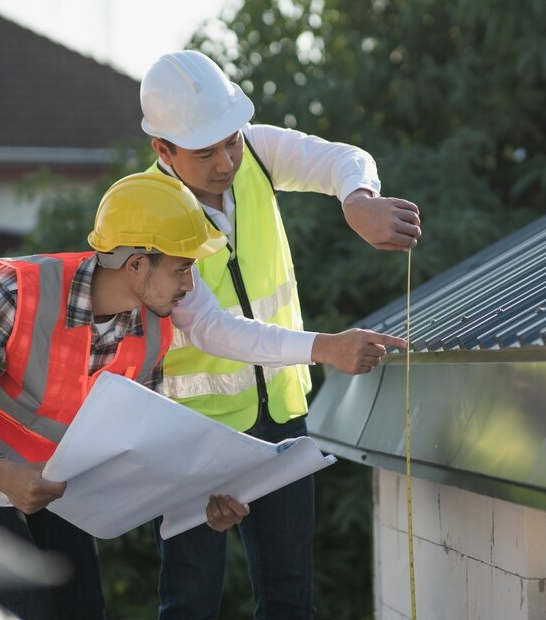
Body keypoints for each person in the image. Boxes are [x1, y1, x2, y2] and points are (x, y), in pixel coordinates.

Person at [0, 173, 405, 620]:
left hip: (52, 475)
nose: (190, 286)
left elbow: (135, 448)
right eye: (181, 269)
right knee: (24, 608)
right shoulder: (16, 293)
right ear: (136, 264)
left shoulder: (153, 331)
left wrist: (202, 500)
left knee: (80, 608)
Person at [138, 50, 423, 619]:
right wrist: (327, 347)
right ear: (163, 150)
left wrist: (358, 201)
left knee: (291, 597)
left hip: (285, 423)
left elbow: (345, 158)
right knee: (189, 605)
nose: (225, 161)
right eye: (205, 151)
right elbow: (213, 329)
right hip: (192, 439)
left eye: (232, 140)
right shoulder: (148, 211)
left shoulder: (257, 155)